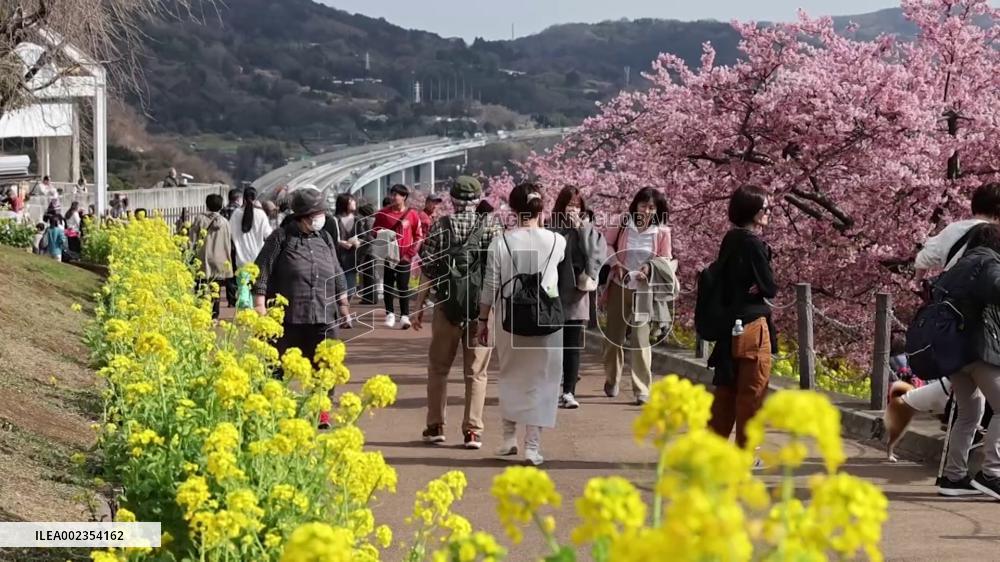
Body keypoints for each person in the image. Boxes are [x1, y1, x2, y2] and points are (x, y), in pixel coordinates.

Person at [476, 182, 572, 466]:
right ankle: (532, 446)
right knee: (543, 380)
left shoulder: (501, 242)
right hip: (546, 318)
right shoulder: (558, 241)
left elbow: (490, 284)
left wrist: (483, 320)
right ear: (541, 207)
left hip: (511, 318)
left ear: (513, 208)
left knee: (510, 375)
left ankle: (508, 439)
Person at [412, 177, 501, 449]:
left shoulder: (441, 226)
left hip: (446, 307)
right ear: (478, 199)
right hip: (481, 310)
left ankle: (436, 425)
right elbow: (497, 270)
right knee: (476, 372)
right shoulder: (492, 226)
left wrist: (418, 308)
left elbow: (428, 269)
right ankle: (472, 430)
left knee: (439, 368)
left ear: (452, 200)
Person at [253, 187, 350, 429]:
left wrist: (344, 303)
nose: (321, 219)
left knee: (326, 364)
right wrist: (260, 305)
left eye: (322, 214)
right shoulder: (281, 237)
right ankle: (274, 411)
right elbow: (261, 270)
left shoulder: (325, 238)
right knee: (277, 365)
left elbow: (336, 270)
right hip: (289, 316)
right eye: (316, 214)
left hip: (323, 313)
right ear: (302, 217)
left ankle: (322, 412)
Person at [930, 223, 1000, 499]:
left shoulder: (956, 268)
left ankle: (954, 477)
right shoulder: (988, 262)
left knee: (970, 412)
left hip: (953, 352)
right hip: (978, 350)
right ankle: (991, 474)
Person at [706, 185, 777, 458]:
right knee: (752, 391)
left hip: (729, 324)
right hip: (752, 326)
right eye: (766, 209)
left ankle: (713, 450)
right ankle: (747, 453)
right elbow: (769, 287)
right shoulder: (753, 243)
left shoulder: (731, 239)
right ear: (755, 213)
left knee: (726, 388)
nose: (768, 214)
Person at [601, 187, 673, 405]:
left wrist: (650, 269)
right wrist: (616, 263)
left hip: (643, 290)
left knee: (641, 341)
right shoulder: (623, 223)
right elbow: (606, 243)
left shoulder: (662, 232)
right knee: (614, 338)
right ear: (635, 206)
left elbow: (666, 259)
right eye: (643, 205)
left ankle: (641, 389)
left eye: (652, 207)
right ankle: (612, 378)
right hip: (619, 285)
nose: (647, 211)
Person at [551, 186, 608, 409]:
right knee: (554, 345)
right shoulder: (552, 226)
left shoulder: (588, 229)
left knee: (572, 345)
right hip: (554, 291)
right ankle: (554, 388)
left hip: (576, 292)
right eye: (569, 204)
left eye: (577, 205)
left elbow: (594, 254)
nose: (573, 209)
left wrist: (581, 228)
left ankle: (569, 391)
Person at [915, 182, 1000, 279]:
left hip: (953, 291)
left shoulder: (954, 229)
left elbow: (923, 259)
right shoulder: (996, 235)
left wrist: (918, 284)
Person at [373, 184, 423, 329]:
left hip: (404, 257)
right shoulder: (383, 214)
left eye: (398, 195)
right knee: (388, 285)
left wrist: (410, 255)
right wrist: (384, 236)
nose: (394, 197)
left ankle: (404, 316)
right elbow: (374, 232)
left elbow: (418, 236)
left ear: (404, 197)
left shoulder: (412, 214)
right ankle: (389, 314)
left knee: (403, 286)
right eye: (393, 194)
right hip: (389, 256)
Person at [188, 194, 233, 319]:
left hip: (203, 258)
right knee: (216, 289)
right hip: (220, 259)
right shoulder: (225, 222)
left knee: (200, 286)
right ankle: (215, 315)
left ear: (206, 205)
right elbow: (228, 242)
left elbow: (191, 240)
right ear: (221, 206)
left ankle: (200, 313)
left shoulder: (200, 219)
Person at [328, 193, 362, 313]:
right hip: (337, 258)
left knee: (351, 289)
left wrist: (358, 242)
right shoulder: (334, 220)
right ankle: (341, 313)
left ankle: (343, 311)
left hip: (352, 259)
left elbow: (366, 236)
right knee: (338, 288)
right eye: (351, 201)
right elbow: (330, 238)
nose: (354, 203)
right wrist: (340, 243)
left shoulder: (358, 220)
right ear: (344, 204)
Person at [229, 186, 273, 273]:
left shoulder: (236, 214)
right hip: (258, 261)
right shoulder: (261, 214)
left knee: (242, 286)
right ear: (255, 199)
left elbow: (229, 234)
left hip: (241, 262)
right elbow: (269, 235)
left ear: (243, 198)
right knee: (256, 286)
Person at [356, 201, 378, 305]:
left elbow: (368, 236)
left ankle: (369, 298)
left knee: (368, 275)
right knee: (371, 274)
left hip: (369, 250)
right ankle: (372, 297)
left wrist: (361, 241)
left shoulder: (367, 221)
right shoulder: (374, 219)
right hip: (374, 250)